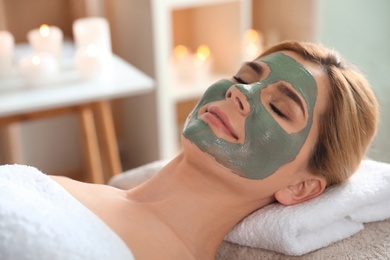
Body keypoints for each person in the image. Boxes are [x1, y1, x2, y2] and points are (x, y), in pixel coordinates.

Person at [50, 40, 379, 259]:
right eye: (243, 77)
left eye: (280, 108)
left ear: (300, 187)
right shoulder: (57, 187)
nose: (241, 93)